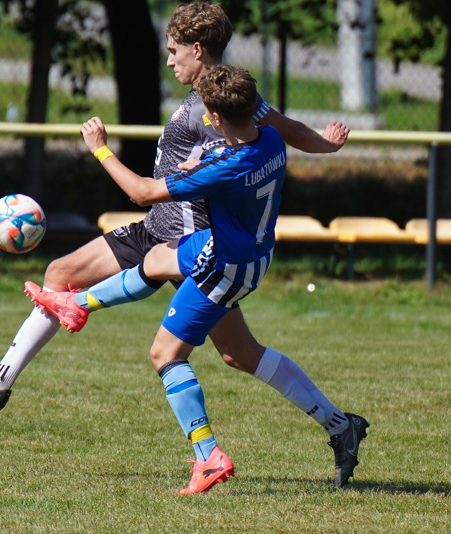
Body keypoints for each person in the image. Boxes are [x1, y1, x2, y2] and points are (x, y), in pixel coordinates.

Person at [0, 2, 367, 488]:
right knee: (225, 347)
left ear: (197, 50)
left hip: (187, 237)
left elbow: (177, 178)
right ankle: (2, 379)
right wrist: (327, 145)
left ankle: (249, 444)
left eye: (173, 52)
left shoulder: (210, 112)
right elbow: (285, 130)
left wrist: (104, 149)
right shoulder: (239, 101)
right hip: (175, 232)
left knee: (182, 343)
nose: (169, 61)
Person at [33, 65, 286, 494]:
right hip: (235, 245)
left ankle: (209, 456)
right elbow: (235, 154)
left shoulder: (227, 167)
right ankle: (80, 304)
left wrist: (100, 150)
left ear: (218, 119)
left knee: (165, 355)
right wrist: (201, 158)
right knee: (154, 261)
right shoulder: (273, 141)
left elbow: (142, 193)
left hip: (225, 263)